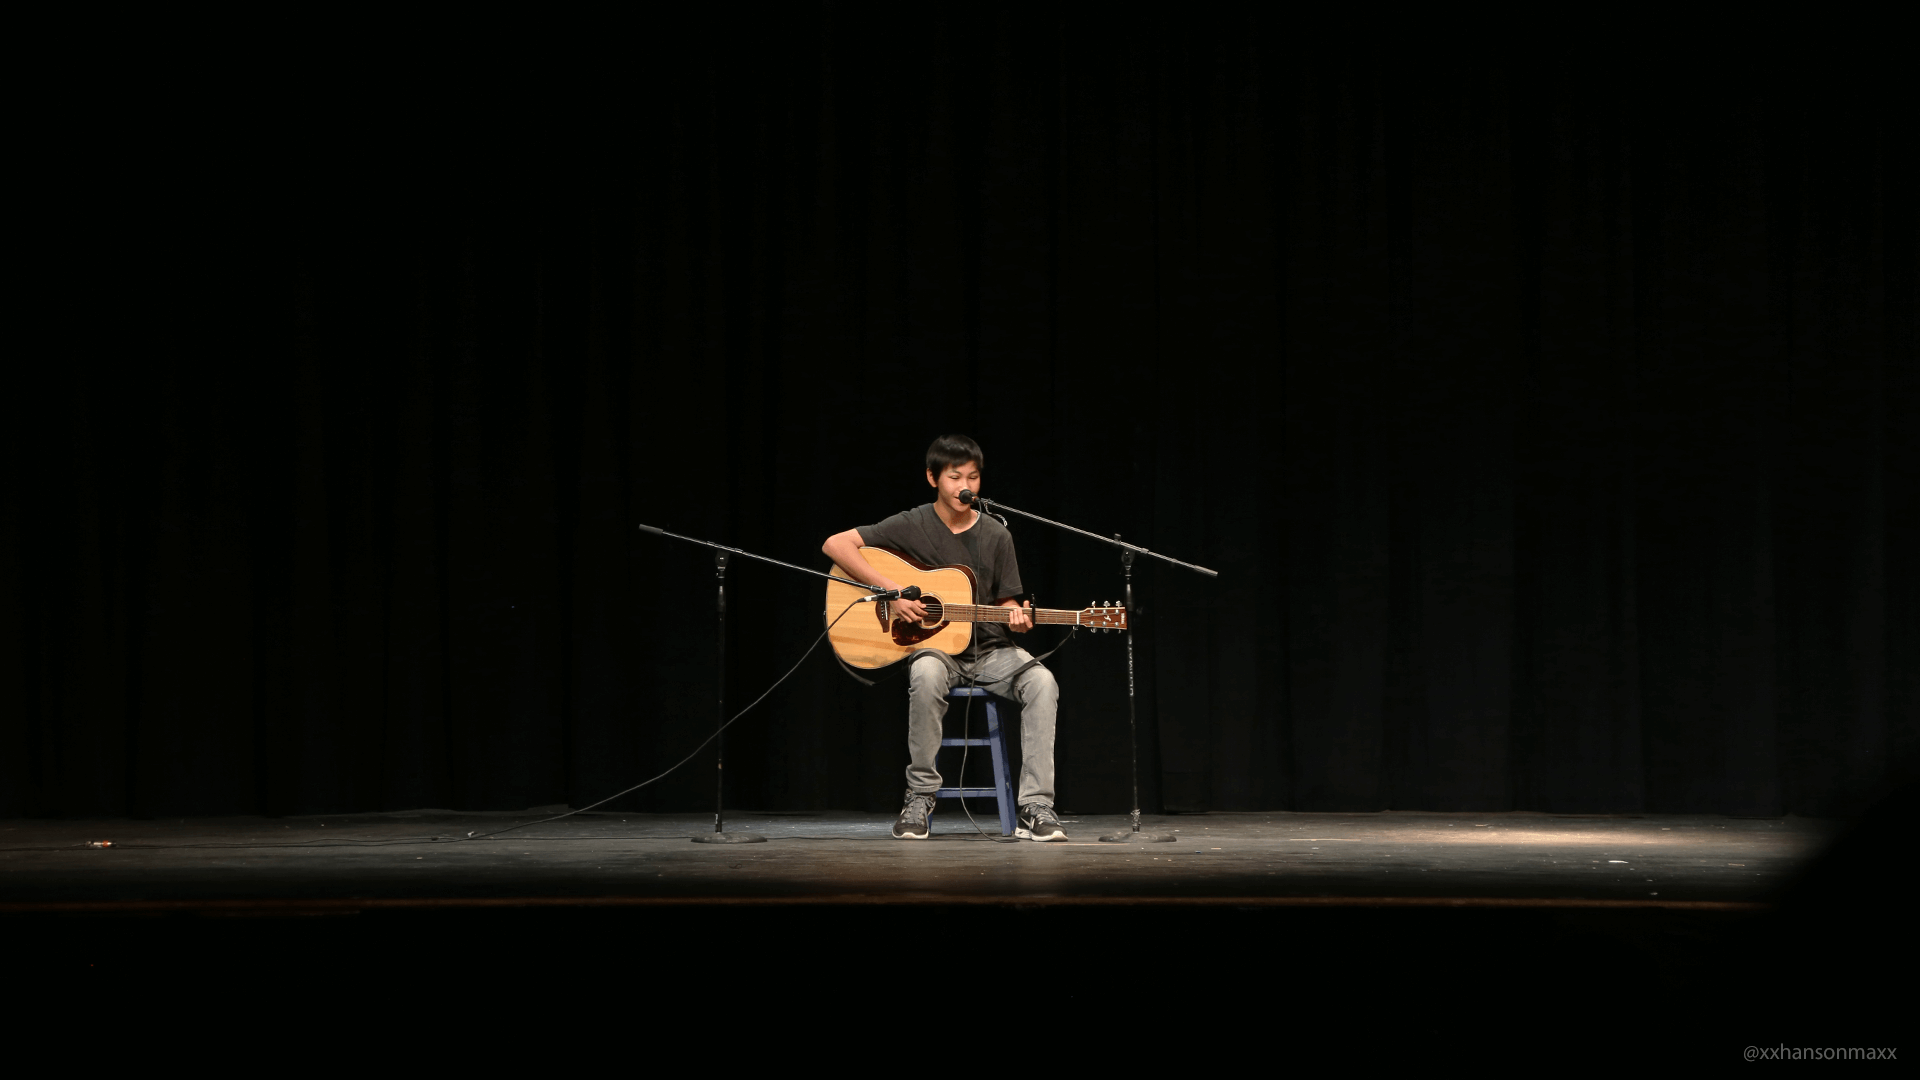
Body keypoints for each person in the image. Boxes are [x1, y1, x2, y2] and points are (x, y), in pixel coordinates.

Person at [821, 434, 1067, 841]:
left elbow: (1007, 600)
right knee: (926, 674)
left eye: (973, 477)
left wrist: (1018, 617)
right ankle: (920, 796)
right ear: (933, 478)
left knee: (1042, 681)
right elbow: (836, 544)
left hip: (991, 649)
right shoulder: (912, 523)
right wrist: (891, 591)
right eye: (954, 477)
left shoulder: (996, 535)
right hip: (936, 650)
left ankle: (1036, 805)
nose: (964, 486)